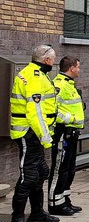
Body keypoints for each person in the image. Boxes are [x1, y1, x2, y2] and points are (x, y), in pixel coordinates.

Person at [9, 44, 60, 222]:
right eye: (53, 60)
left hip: (33, 133)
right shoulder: (35, 77)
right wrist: (46, 138)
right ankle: (18, 217)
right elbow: (35, 112)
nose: (54, 63)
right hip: (29, 133)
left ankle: (37, 214)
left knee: (41, 172)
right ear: (47, 60)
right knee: (28, 176)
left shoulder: (35, 73)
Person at [48, 56, 85, 216]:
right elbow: (53, 111)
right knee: (60, 169)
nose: (79, 69)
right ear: (72, 68)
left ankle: (65, 200)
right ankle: (55, 204)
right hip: (63, 133)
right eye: (78, 66)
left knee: (69, 169)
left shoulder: (70, 84)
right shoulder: (59, 85)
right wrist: (72, 120)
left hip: (72, 133)